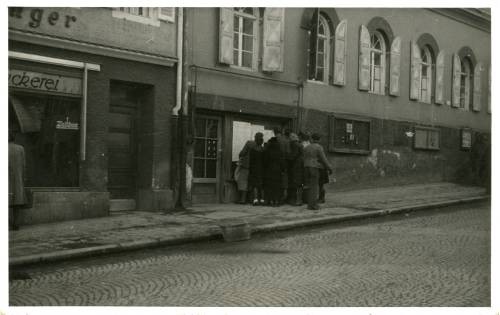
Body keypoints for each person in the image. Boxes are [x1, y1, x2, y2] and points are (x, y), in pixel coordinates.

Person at [303, 133, 332, 210]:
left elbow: (303, 158)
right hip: (314, 167)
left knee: (308, 186)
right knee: (314, 186)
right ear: (319, 139)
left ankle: (309, 203)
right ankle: (313, 205)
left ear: (312, 139)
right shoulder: (319, 147)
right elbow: (323, 159)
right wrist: (329, 168)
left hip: (306, 167)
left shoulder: (306, 147)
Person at [9, 131, 26, 230]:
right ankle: (16, 224)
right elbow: (24, 165)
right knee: (17, 203)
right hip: (17, 179)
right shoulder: (20, 148)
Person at [263, 134, 285, 207]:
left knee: (269, 186)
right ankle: (276, 201)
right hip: (277, 171)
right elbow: (282, 162)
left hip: (269, 171)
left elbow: (265, 162)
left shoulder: (267, 151)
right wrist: (283, 170)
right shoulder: (280, 152)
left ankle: (270, 201)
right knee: (277, 186)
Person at [247, 132, 265, 205]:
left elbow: (251, 161)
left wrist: (250, 170)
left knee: (255, 185)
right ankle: (262, 200)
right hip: (262, 169)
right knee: (262, 185)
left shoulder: (253, 150)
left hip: (254, 169)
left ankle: (255, 199)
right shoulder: (264, 150)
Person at [288, 133, 304, 205]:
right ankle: (299, 199)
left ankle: (296, 200)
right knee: (299, 183)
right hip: (300, 165)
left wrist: (288, 159)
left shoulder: (294, 145)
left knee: (295, 183)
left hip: (296, 165)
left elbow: (293, 155)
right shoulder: (300, 144)